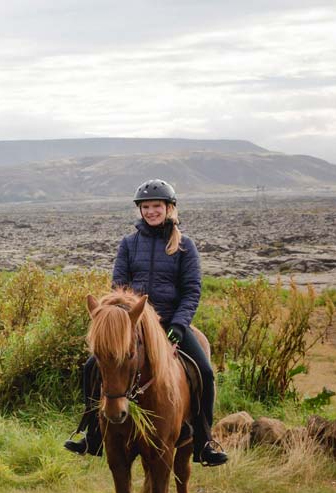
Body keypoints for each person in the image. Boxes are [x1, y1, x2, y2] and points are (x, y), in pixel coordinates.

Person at [64, 179, 228, 466]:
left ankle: (204, 441)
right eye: (146, 207)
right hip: (134, 323)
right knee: (92, 366)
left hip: (171, 325)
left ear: (169, 208)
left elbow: (192, 290)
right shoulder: (129, 244)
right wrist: (123, 319)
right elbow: (119, 287)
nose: (151, 211)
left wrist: (179, 324)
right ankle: (91, 433)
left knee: (204, 371)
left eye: (157, 206)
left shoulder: (185, 246)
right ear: (140, 210)